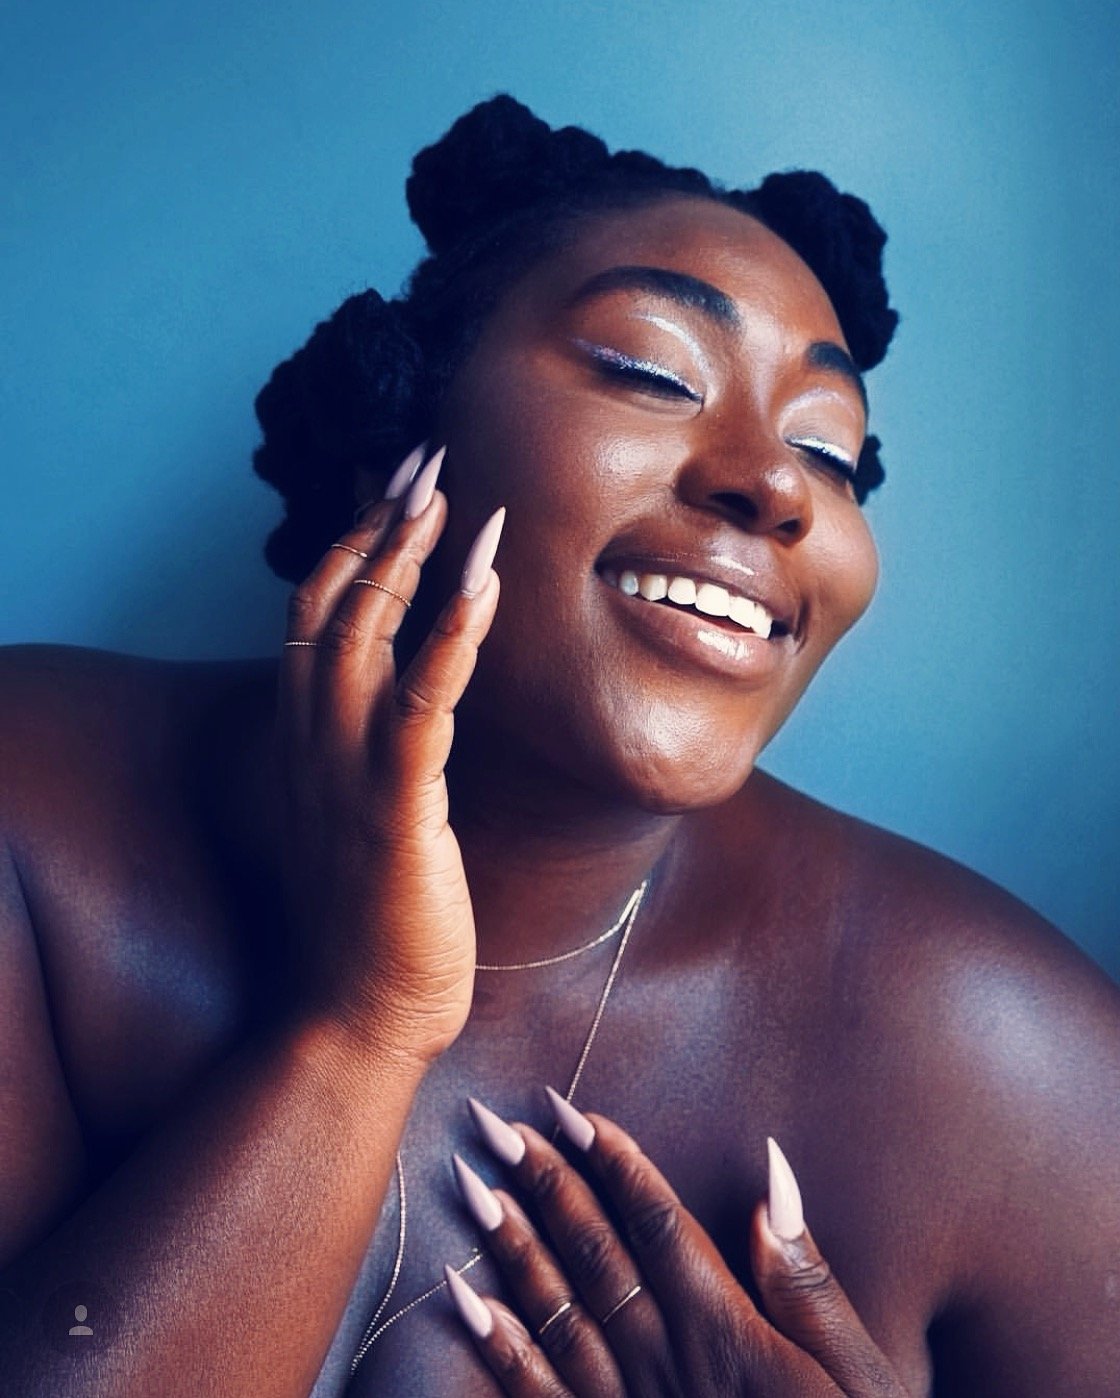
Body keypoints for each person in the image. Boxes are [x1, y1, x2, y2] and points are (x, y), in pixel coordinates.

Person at [0, 93, 1117, 1398]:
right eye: (652, 371)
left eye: (834, 451)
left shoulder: (1015, 1070)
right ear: (405, 435)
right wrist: (363, 1023)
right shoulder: (37, 817)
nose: (775, 483)